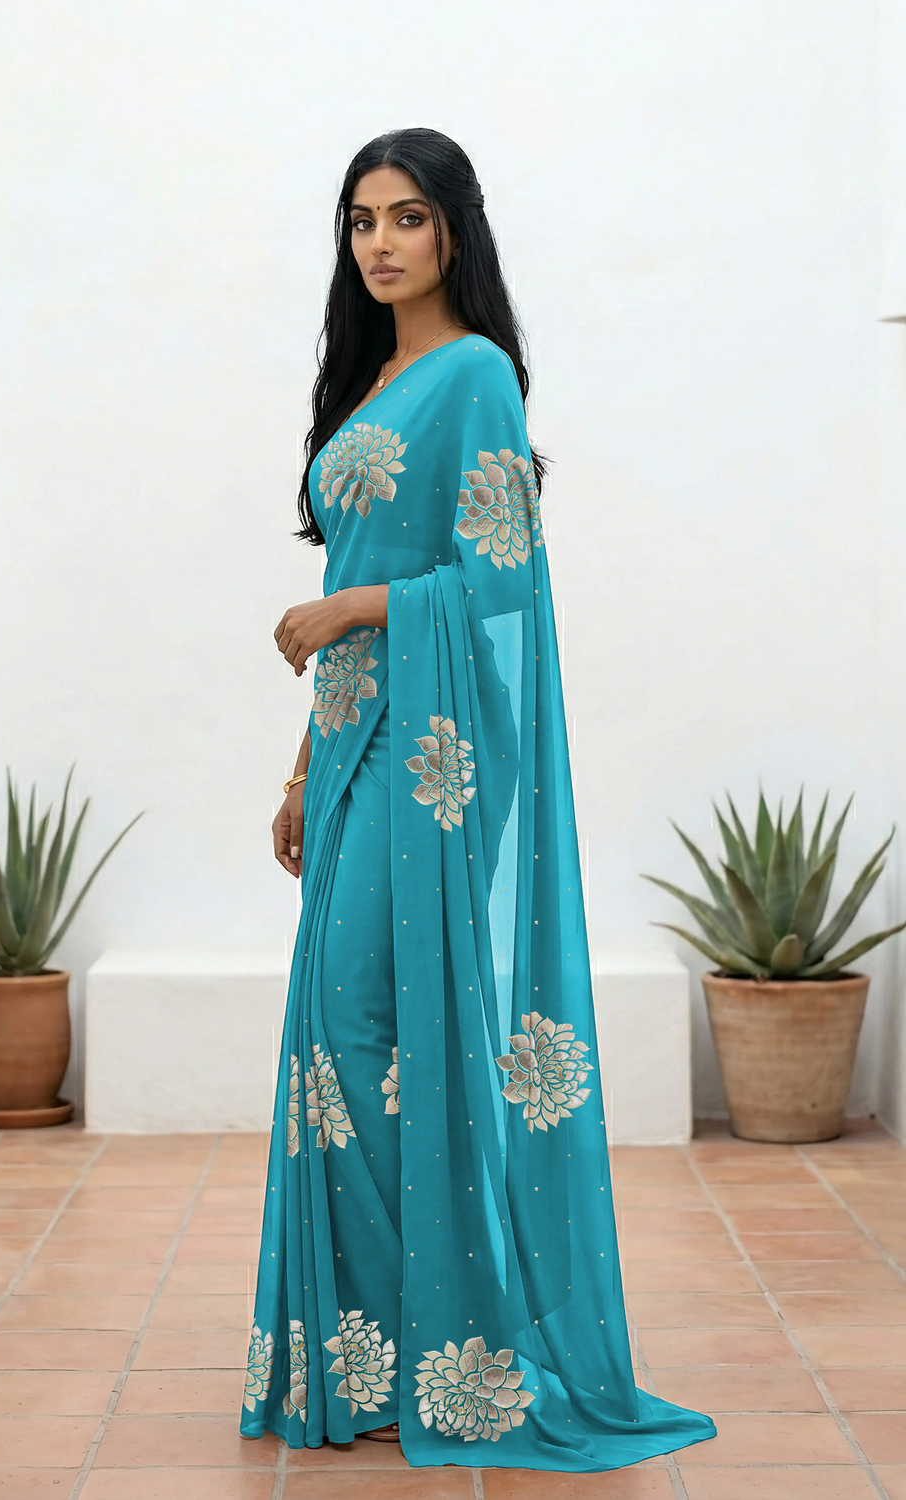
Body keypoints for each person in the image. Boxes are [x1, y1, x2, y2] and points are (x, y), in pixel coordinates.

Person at [240, 127, 716, 1472]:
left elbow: (502, 585)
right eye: (360, 220)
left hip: (434, 758)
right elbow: (360, 570)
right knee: (338, 1043)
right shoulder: (370, 382)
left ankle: (446, 1348)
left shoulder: (477, 377)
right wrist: (300, 766)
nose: (380, 243)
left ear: (455, 229)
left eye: (407, 216)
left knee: (368, 1031)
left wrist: (356, 607)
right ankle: (380, 1350)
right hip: (350, 750)